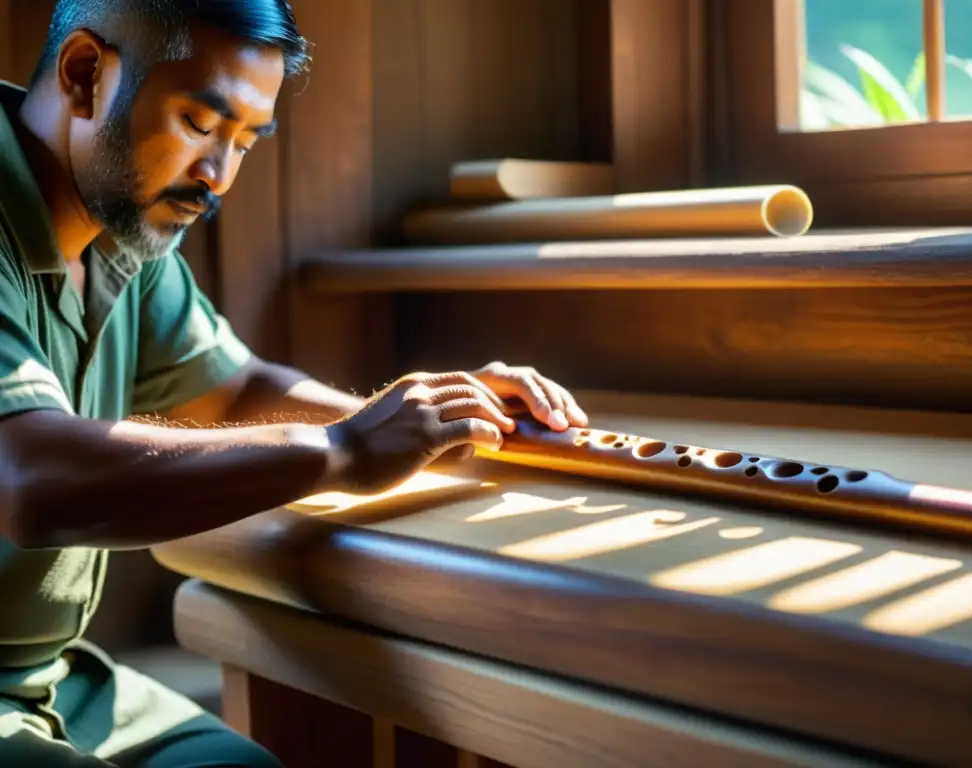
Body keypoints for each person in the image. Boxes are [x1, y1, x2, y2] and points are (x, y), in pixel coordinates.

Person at [0, 0, 589, 765]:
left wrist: (425, 423)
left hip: (54, 681)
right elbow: (31, 478)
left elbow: (233, 389)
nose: (216, 177)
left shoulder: (120, 227)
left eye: (245, 141)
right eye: (200, 125)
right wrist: (340, 449)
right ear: (86, 74)